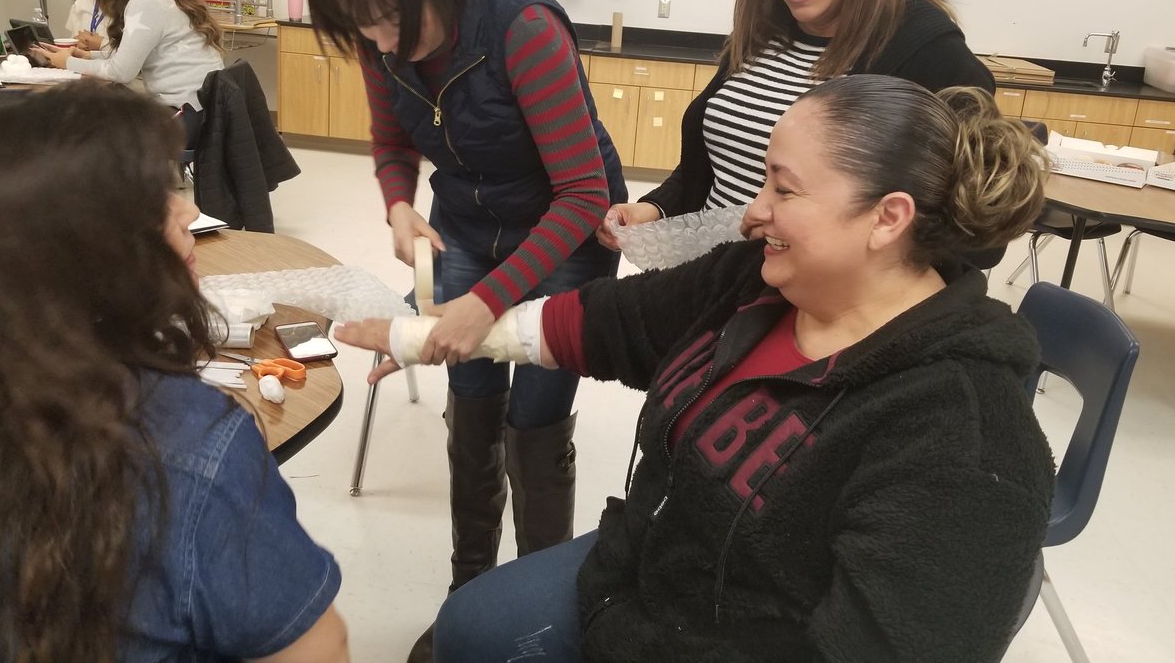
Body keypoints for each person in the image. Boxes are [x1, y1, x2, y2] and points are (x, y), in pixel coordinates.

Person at [340, 75, 1056, 663]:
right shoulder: (758, 282)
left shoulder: (964, 438)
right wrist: (432, 334)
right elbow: (609, 322)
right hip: (646, 579)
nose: (754, 211)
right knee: (465, 629)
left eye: (784, 189)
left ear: (887, 218)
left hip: (708, 636)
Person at [304, 0, 627, 662]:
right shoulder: (381, 47)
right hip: (467, 229)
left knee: (535, 422)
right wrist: (398, 206)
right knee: (473, 409)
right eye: (360, 24)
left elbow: (583, 192)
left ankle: (540, 610)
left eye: (388, 18)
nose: (378, 41)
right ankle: (470, 592)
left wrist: (488, 301)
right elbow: (391, 145)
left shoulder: (521, 28)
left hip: (565, 234)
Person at [0, 82, 348, 661]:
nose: (191, 210)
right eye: (157, 198)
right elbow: (318, 647)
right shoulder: (189, 445)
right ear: (87, 249)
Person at [598, 0, 995, 248]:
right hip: (708, 282)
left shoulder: (926, 52)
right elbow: (714, 165)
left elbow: (977, 233)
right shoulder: (767, 28)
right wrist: (655, 210)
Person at [37, 0, 225, 145]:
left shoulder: (144, 2)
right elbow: (133, 54)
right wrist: (88, 55)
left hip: (186, 117)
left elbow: (122, 72)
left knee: (94, 127)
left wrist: (68, 62)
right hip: (203, 112)